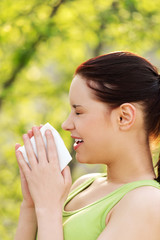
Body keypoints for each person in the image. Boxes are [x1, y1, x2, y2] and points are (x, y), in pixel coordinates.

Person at [14, 51, 160, 240]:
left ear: (124, 117)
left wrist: (47, 207)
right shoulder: (83, 184)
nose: (66, 124)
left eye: (78, 112)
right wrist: (31, 204)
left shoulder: (147, 202)